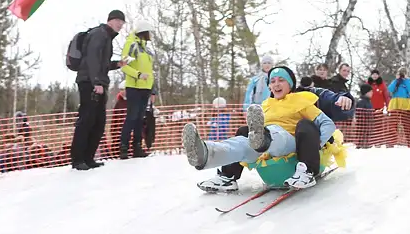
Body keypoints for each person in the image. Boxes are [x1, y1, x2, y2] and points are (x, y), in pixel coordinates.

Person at [183, 66, 336, 191]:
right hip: (266, 145)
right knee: (243, 136)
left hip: (292, 143)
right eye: (273, 81)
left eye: (281, 80)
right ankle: (210, 156)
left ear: (290, 84)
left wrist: (314, 146)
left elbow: (328, 124)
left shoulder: (301, 101)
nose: (276, 84)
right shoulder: (266, 105)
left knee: (303, 126)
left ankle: (306, 172)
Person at [70, 9, 126, 170]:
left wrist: (117, 64)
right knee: (86, 120)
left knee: (98, 122)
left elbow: (102, 64)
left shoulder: (107, 38)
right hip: (89, 82)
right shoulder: (99, 34)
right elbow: (92, 59)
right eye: (118, 21)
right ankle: (78, 159)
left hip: (98, 82)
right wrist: (96, 82)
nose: (121, 25)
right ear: (111, 20)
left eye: (122, 23)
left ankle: (88, 158)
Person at [119, 20, 156, 159]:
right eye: (149, 32)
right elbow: (124, 66)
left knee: (140, 118)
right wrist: (139, 75)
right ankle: (123, 147)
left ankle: (137, 147)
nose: (151, 35)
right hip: (134, 87)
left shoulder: (146, 49)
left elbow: (150, 71)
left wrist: (153, 90)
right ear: (144, 33)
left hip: (145, 88)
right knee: (132, 118)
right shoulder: (133, 46)